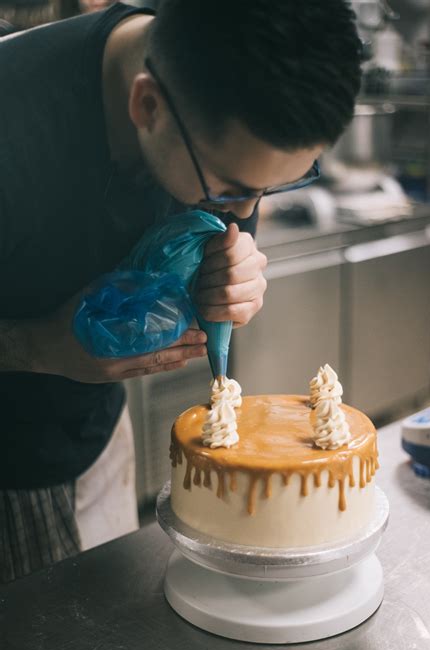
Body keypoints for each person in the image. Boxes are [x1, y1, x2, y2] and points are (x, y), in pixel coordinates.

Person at [0, 0, 362, 583]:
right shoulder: (15, 131)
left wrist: (224, 278)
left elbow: (218, 230)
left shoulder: (224, 100)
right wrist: (42, 347)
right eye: (231, 190)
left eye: (278, 184)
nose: (245, 213)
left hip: (98, 433)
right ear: (147, 105)